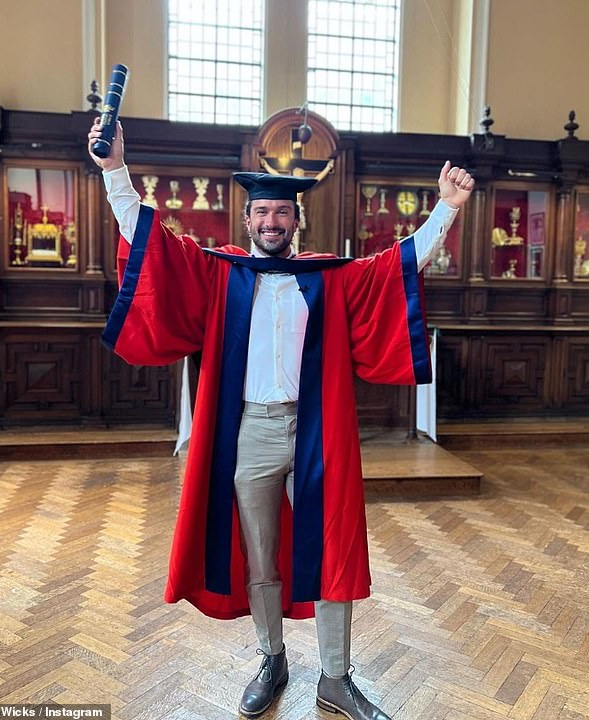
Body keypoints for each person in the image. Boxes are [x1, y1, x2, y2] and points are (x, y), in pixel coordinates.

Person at [88, 117, 474, 720]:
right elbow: (150, 241)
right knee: (262, 555)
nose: (272, 223)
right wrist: (115, 170)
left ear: (298, 222)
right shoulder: (221, 273)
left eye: (282, 214)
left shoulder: (328, 278)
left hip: (316, 430)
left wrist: (445, 209)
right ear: (247, 221)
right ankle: (271, 659)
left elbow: (400, 263)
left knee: (331, 550)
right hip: (251, 433)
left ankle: (336, 678)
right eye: (262, 214)